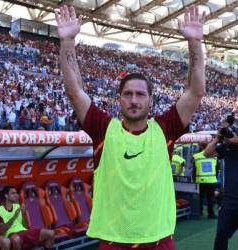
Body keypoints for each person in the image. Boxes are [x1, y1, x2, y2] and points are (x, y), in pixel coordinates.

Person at [56, 4, 206, 249]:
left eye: (140, 94)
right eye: (127, 94)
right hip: (115, 241)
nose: (134, 100)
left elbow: (196, 91)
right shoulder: (104, 129)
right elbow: (74, 91)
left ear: (150, 100)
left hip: (159, 239)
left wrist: (195, 43)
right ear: (119, 99)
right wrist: (67, 42)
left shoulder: (165, 128)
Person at [204, 121, 238, 250]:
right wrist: (217, 138)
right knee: (221, 235)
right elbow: (206, 153)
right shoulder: (226, 147)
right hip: (229, 199)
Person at [0, 186, 54, 250]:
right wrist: (14, 216)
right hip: (11, 234)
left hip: (24, 231)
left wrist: (24, 215)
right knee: (16, 239)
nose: (16, 195)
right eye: (13, 193)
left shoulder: (18, 206)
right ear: (6, 195)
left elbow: (25, 225)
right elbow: (1, 231)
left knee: (50, 233)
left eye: (16, 193)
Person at [193, 144, 218, 218]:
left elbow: (194, 170)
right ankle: (210, 214)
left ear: (201, 147)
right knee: (210, 198)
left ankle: (199, 212)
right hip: (211, 180)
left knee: (200, 197)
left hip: (200, 180)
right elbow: (217, 169)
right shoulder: (214, 156)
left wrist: (194, 179)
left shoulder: (196, 156)